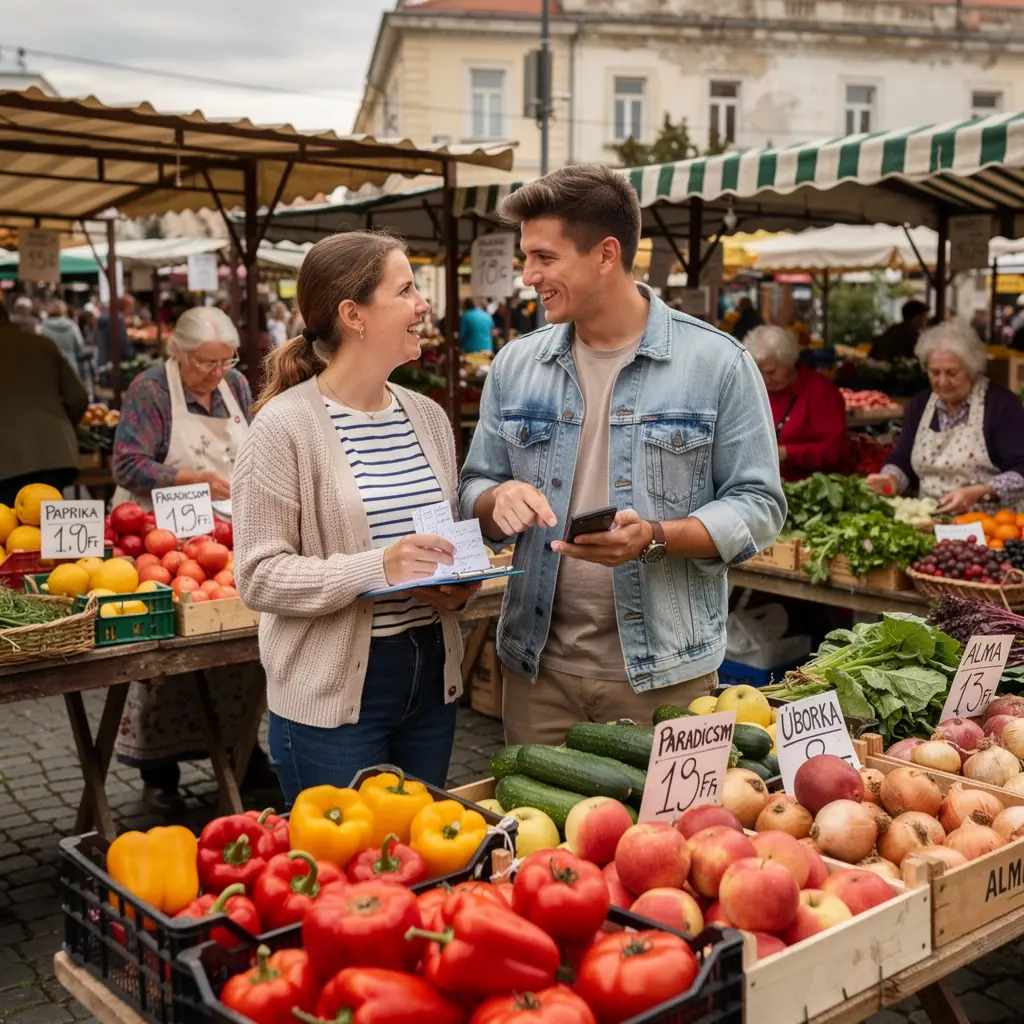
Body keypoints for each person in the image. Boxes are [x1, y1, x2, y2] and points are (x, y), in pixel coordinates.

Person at [458, 166, 786, 746]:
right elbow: (474, 486)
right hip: (538, 670)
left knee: (670, 838)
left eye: (544, 257)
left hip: (668, 675)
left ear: (606, 254)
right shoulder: (515, 364)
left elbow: (759, 505)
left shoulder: (717, 363)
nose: (528, 275)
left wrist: (655, 536)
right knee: (542, 839)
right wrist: (495, 496)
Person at [232, 231, 478, 805]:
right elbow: (259, 576)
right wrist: (378, 567)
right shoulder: (281, 428)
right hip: (332, 696)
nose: (423, 305)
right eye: (407, 290)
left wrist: (455, 582)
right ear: (353, 315)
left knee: (423, 867)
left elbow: (433, 540)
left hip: (431, 678)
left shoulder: (428, 418)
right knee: (352, 881)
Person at [111, 307, 273, 811]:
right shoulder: (150, 391)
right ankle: (158, 769)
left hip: (222, 535)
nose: (217, 373)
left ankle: (241, 751)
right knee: (165, 659)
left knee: (239, 646)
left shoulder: (238, 387)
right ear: (177, 353)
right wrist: (193, 478)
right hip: (157, 536)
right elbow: (127, 462)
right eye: (206, 362)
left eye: (226, 361)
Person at [866, 319, 1024, 515]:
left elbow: (1021, 469)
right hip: (929, 521)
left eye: (951, 372)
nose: (942, 381)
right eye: (934, 372)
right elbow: (902, 460)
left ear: (972, 369)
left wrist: (981, 492)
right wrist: (891, 478)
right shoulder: (920, 405)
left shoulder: (1001, 405)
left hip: (988, 526)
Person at [0, 304, 88, 505]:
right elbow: (78, 397)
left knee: (8, 530)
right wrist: (60, 424)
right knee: (48, 527)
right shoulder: (42, 344)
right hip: (54, 453)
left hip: (5, 462)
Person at [745, 325, 849, 481]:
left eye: (771, 372)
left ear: (789, 362)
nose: (765, 379)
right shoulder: (754, 388)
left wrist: (786, 453)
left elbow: (835, 450)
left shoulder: (820, 391)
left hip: (809, 487)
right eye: (759, 372)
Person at [41, 299, 89, 383]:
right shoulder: (71, 326)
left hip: (50, 367)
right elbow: (80, 348)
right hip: (70, 366)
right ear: (64, 311)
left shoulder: (43, 328)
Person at [97, 295, 136, 368]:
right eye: (131, 308)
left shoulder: (104, 317)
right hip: (116, 362)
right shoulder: (118, 319)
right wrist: (132, 356)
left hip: (103, 360)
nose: (132, 311)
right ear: (125, 306)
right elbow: (123, 342)